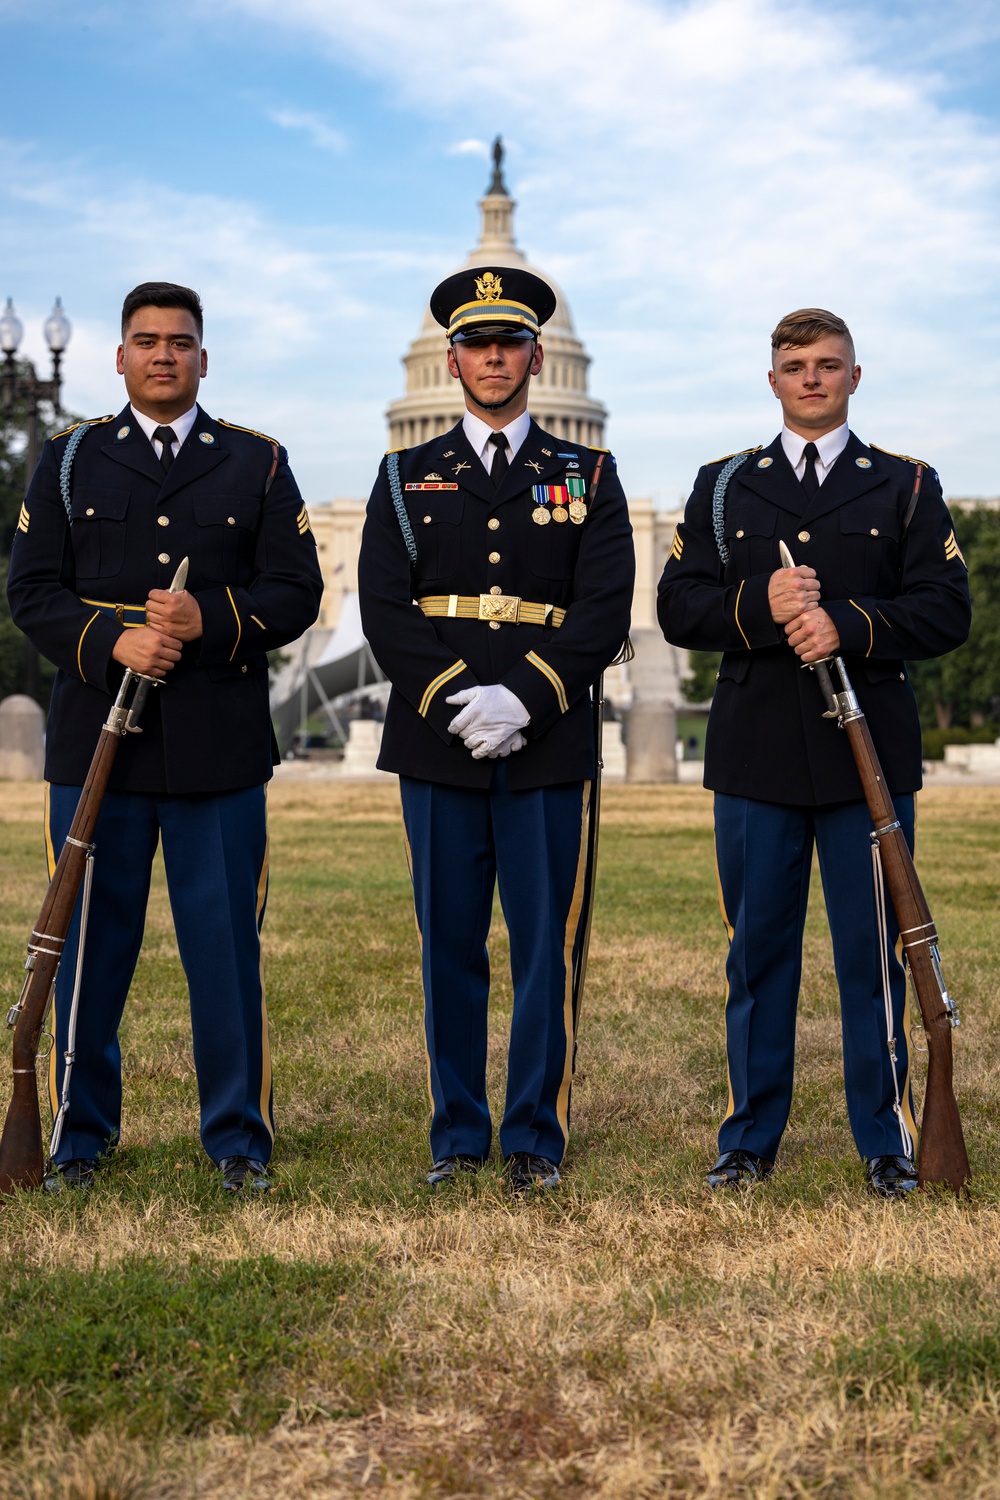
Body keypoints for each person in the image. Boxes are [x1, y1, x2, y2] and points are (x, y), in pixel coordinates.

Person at [7, 282, 323, 1193]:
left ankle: (237, 1139)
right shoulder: (68, 462)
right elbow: (31, 591)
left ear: (203, 358)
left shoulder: (256, 464)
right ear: (119, 357)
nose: (162, 355)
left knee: (224, 953)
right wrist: (113, 640)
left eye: (180, 341)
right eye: (145, 341)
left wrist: (205, 620)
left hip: (217, 751)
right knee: (87, 951)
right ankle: (78, 1137)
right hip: (95, 752)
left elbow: (294, 592)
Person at [658, 308, 971, 1199]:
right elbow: (680, 606)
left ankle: (887, 1140)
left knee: (875, 954)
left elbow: (947, 610)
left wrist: (851, 623)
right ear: (772, 381)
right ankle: (749, 1140)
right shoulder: (724, 487)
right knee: (757, 955)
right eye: (794, 365)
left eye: (828, 365)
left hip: (866, 758)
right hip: (757, 756)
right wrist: (761, 600)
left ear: (854, 377)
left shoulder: (905, 486)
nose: (811, 379)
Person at [358, 265, 634, 1195]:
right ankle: (456, 1133)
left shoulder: (588, 473)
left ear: (536, 355)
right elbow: (384, 608)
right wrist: (452, 700)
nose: (493, 357)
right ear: (453, 358)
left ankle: (534, 1135)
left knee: (543, 946)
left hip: (548, 740)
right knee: (449, 943)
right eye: (476, 343)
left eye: (510, 342)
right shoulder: (403, 477)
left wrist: (526, 695)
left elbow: (603, 609)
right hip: (437, 745)